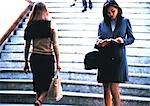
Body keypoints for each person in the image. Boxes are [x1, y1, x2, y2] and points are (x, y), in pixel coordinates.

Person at [95, 0, 135, 106]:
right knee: (106, 89)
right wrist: (100, 43)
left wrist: (123, 41)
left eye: (113, 11)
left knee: (114, 87)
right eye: (108, 13)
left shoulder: (125, 21)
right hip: (104, 58)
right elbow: (98, 40)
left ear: (118, 9)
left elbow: (131, 38)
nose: (111, 14)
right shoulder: (102, 23)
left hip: (118, 58)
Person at [23, 2, 61, 106]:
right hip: (47, 58)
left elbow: (27, 47)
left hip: (35, 58)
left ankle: (38, 102)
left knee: (38, 86)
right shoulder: (51, 26)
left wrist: (26, 62)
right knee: (48, 85)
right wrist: (58, 62)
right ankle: (39, 101)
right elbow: (55, 46)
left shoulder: (30, 26)